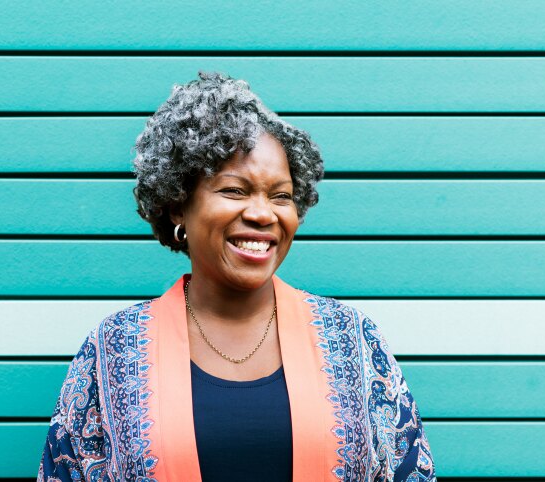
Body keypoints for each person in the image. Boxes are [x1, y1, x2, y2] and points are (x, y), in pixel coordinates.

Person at [37, 72, 436, 481]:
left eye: (281, 196)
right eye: (234, 190)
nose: (264, 214)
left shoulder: (351, 339)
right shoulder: (115, 348)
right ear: (178, 206)